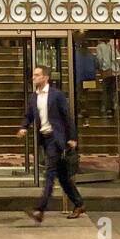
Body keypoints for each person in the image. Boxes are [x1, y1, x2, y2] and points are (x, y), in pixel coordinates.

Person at [17, 64, 86, 222]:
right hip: (45, 139)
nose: (33, 77)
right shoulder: (33, 97)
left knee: (50, 173)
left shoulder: (56, 95)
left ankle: (40, 210)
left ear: (46, 77)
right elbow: (28, 115)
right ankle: (79, 203)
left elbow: (67, 117)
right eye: (33, 75)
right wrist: (23, 127)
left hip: (57, 139)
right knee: (62, 177)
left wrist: (72, 137)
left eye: (37, 75)